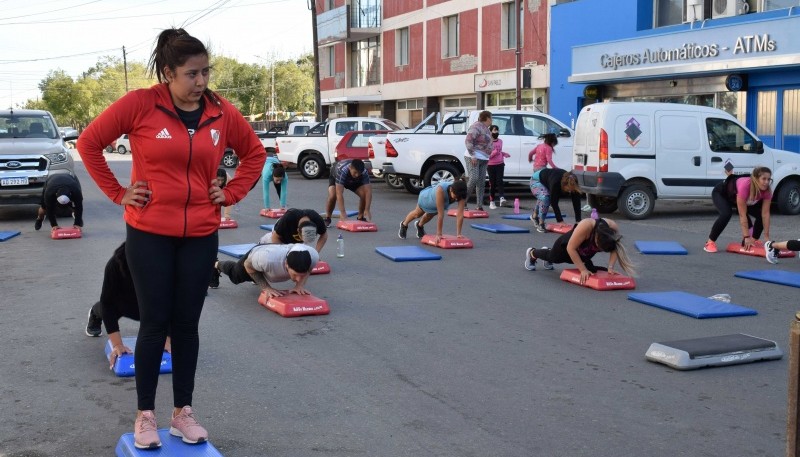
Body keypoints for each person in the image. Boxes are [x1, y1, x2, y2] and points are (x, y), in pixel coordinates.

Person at [76, 28, 266, 450]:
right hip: (149, 234)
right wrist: (118, 192)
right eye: (192, 74)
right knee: (154, 323)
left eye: (205, 72)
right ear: (168, 74)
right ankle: (146, 416)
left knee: (186, 326)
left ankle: (183, 413)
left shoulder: (220, 112)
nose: (201, 82)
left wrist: (230, 192)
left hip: (200, 234)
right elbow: (89, 142)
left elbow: (254, 154)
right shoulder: (141, 104)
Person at [84, 242, 172, 368]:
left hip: (150, 303)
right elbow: (107, 304)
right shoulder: (114, 265)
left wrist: (166, 338)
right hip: (123, 302)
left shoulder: (164, 263)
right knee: (105, 309)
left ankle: (150, 323)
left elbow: (173, 303)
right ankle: (94, 313)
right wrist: (117, 345)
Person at [523, 217, 635, 285]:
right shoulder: (586, 226)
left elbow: (615, 247)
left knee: (592, 270)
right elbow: (571, 248)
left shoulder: (612, 227)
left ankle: (547, 252)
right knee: (554, 258)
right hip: (567, 245)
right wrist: (582, 270)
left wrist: (610, 268)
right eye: (598, 248)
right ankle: (532, 253)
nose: (598, 251)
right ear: (596, 237)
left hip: (584, 251)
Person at [704, 166, 772, 253]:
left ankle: (754, 240)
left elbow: (765, 214)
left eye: (769, 179)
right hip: (722, 194)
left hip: (738, 198)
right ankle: (710, 242)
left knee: (760, 216)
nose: (766, 182)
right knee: (726, 214)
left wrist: (767, 238)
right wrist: (746, 237)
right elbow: (742, 214)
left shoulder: (767, 191)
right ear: (756, 179)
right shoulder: (745, 186)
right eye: (764, 179)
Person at [214, 243, 319, 299]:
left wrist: (299, 285)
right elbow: (248, 265)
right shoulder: (267, 259)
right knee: (235, 276)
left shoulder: (313, 257)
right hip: (256, 256)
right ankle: (215, 264)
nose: (298, 279)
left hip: (270, 258)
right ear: (286, 264)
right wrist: (266, 287)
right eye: (295, 275)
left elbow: (308, 270)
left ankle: (257, 277)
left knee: (259, 274)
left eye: (302, 275)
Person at [398, 180, 468, 242]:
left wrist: (459, 234)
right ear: (451, 190)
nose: (456, 199)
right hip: (427, 198)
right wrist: (439, 234)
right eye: (455, 197)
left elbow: (460, 214)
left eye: (458, 197)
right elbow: (441, 215)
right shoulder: (441, 190)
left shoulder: (461, 193)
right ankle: (404, 224)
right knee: (417, 213)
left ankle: (419, 225)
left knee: (430, 214)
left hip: (437, 203)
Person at [530, 169, 583, 233]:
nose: (570, 192)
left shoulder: (573, 182)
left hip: (547, 179)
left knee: (544, 196)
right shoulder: (556, 183)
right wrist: (560, 221)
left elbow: (576, 202)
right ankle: (541, 223)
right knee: (545, 198)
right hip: (536, 180)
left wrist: (578, 221)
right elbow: (554, 203)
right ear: (564, 185)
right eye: (568, 189)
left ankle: (534, 216)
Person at [324, 158, 372, 226]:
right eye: (355, 172)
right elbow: (339, 193)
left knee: (364, 195)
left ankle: (360, 217)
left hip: (351, 180)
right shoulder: (342, 171)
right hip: (335, 176)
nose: (357, 175)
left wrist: (367, 210)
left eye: (359, 173)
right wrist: (343, 213)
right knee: (333, 196)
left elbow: (368, 191)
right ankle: (328, 218)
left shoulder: (364, 172)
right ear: (350, 168)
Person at [464, 110, 493, 211]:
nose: (492, 120)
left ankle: (479, 205)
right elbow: (468, 140)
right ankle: (463, 202)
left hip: (484, 158)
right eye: (491, 118)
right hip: (474, 157)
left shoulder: (487, 129)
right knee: (474, 178)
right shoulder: (476, 126)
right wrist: (472, 155)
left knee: (481, 182)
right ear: (487, 118)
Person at [487, 124, 510, 209]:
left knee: (500, 181)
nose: (496, 132)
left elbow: (499, 151)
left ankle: (501, 198)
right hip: (491, 165)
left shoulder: (500, 141)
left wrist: (504, 154)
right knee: (492, 183)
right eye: (494, 130)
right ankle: (492, 201)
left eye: (497, 130)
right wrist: (494, 152)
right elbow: (487, 156)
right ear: (490, 132)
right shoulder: (488, 142)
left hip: (500, 163)